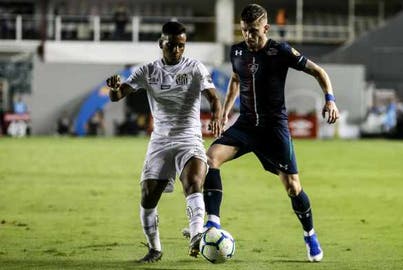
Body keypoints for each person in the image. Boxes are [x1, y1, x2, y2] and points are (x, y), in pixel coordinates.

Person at [201, 4, 339, 263]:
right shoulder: (237, 51)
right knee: (210, 159)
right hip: (245, 126)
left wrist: (330, 99)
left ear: (265, 28)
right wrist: (224, 113)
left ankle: (310, 234)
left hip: (274, 129)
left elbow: (319, 72)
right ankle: (212, 224)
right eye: (244, 31)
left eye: (254, 31)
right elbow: (235, 80)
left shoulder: (281, 51)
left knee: (292, 187)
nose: (249, 37)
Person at [105, 21, 222, 263]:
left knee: (193, 182)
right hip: (160, 140)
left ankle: (197, 235)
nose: (177, 50)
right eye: (172, 45)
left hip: (189, 138)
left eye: (181, 46)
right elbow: (118, 96)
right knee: (148, 195)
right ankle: (154, 249)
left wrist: (217, 116)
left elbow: (213, 96)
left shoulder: (195, 68)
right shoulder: (147, 71)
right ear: (161, 44)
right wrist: (114, 88)